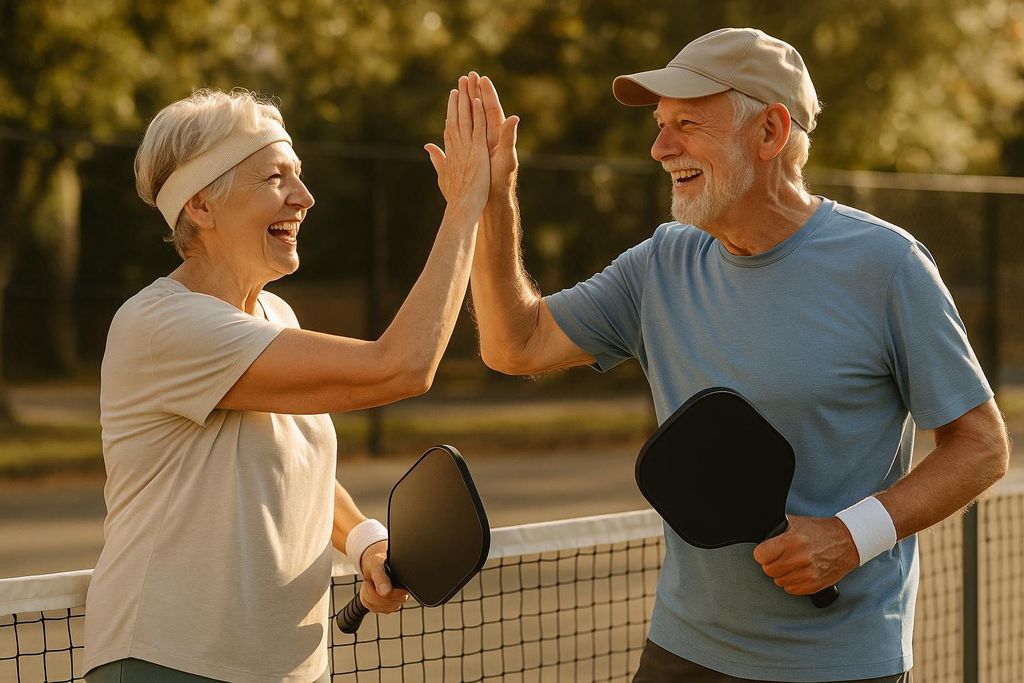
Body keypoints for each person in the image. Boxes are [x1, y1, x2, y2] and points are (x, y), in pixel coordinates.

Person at [465, 28, 1010, 683]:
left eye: (687, 123)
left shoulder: (888, 265)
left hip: (841, 666)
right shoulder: (659, 264)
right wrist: (494, 199)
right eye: (662, 125)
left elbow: (981, 444)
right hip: (681, 653)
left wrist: (850, 535)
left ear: (772, 132)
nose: (660, 147)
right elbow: (513, 344)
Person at [83, 82, 490, 682]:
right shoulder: (162, 325)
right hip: (168, 661)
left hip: (285, 668)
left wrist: (366, 542)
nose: (304, 197)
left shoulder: (274, 317)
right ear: (201, 206)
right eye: (276, 179)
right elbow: (402, 366)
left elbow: (290, 469)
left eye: (297, 176)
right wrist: (464, 208)